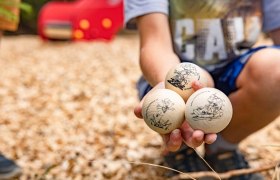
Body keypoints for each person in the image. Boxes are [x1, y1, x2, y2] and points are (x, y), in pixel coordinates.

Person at [125, 0, 280, 179]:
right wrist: (169, 87)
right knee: (190, 79)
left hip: (234, 73)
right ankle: (181, 150)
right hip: (170, 69)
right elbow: (154, 43)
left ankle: (222, 147)